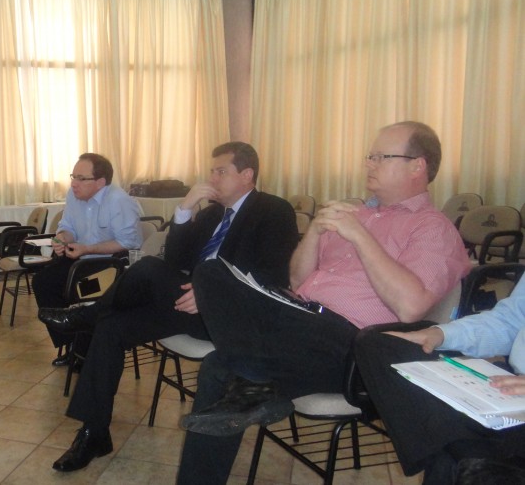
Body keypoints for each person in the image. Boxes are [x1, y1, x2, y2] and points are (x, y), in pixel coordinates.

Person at [177, 121, 472, 484]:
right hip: (300, 325)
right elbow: (296, 282)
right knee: (212, 285)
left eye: (382, 157)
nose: (369, 163)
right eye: (370, 156)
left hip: (352, 349)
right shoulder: (355, 213)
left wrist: (360, 237)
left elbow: (411, 307)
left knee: (222, 357)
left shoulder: (433, 228)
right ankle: (256, 382)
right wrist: (315, 233)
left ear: (418, 166)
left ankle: (259, 380)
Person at [38, 142, 299, 472]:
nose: (212, 178)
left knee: (146, 267)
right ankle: (93, 433)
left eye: (221, 171)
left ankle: (87, 313)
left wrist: (212, 292)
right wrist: (185, 209)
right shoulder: (212, 214)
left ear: (247, 175)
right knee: (111, 327)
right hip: (187, 305)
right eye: (211, 171)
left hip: (230, 316)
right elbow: (176, 260)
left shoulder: (274, 211)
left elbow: (272, 276)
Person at [355, 276, 525, 484]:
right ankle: (472, 456)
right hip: (513, 388)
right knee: (379, 345)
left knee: (448, 457)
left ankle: (471, 457)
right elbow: (511, 320)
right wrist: (441, 335)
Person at [32, 153, 142, 366]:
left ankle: (84, 350)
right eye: (73, 177)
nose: (74, 183)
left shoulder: (119, 201)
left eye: (81, 178)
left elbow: (128, 243)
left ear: (100, 182)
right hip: (81, 260)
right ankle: (71, 344)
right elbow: (68, 227)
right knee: (43, 282)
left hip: (110, 266)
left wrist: (88, 249)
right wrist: (62, 239)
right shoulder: (74, 196)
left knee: (78, 290)